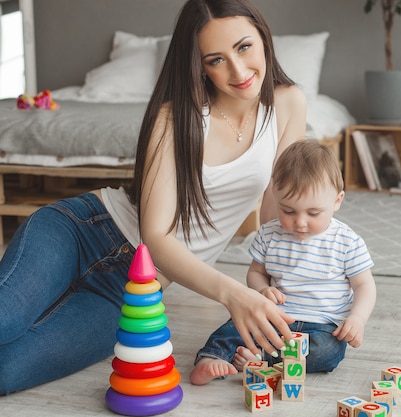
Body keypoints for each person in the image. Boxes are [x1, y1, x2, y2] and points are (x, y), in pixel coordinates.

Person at [0, 0, 306, 394]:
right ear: (199, 65)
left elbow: (274, 207)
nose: (238, 70)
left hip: (133, 292)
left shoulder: (287, 102)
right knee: (6, 319)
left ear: (263, 38)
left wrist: (273, 279)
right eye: (216, 59)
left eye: (244, 47)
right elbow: (156, 237)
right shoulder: (177, 116)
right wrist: (234, 294)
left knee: (8, 370)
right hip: (83, 230)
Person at [189, 139, 377, 385]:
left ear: (337, 201)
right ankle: (212, 357)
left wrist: (357, 319)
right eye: (288, 211)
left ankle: (260, 359)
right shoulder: (269, 234)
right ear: (275, 197)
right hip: (274, 318)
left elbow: (365, 286)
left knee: (329, 351)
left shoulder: (347, 242)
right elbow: (256, 272)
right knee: (237, 323)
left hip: (321, 327)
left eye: (313, 213)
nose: (299, 222)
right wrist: (262, 289)